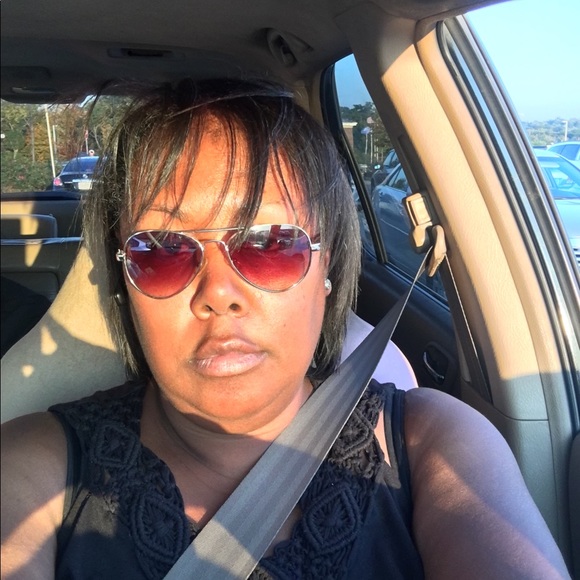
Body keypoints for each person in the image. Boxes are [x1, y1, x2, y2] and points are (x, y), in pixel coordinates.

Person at [0, 78, 571, 579]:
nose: (218, 293)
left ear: (326, 270)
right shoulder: (33, 463)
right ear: (126, 283)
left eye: (269, 244)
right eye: (163, 249)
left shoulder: (435, 444)